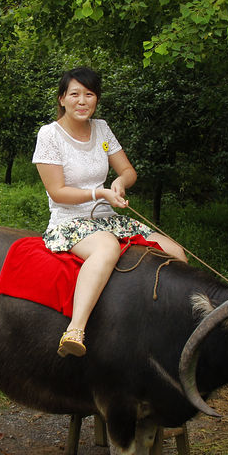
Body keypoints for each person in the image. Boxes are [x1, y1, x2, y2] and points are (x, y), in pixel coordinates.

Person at [32, 67, 187, 357]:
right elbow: (57, 192)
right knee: (106, 249)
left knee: (175, 252)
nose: (82, 101)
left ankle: (173, 329)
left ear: (96, 100)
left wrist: (119, 182)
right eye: (75, 94)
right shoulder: (49, 135)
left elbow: (128, 171)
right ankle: (75, 330)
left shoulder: (101, 129)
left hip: (108, 219)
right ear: (62, 99)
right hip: (70, 221)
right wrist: (100, 192)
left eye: (89, 95)